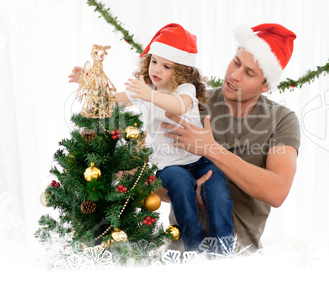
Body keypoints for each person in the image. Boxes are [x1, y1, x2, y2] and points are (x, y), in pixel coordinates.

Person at [69, 23, 234, 252]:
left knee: (219, 192)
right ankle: (196, 248)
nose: (156, 69)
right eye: (154, 61)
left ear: (182, 71)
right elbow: (111, 99)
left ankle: (224, 251)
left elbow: (178, 106)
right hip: (168, 164)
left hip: (199, 160)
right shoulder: (146, 88)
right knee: (181, 188)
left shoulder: (185, 89)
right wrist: (87, 81)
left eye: (167, 66)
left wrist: (149, 95)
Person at [161, 23, 301, 253]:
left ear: (265, 85)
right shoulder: (191, 102)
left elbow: (277, 191)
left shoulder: (281, 120)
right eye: (236, 62)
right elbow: (153, 182)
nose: (234, 76)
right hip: (180, 255)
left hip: (239, 260)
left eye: (249, 73)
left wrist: (210, 149)